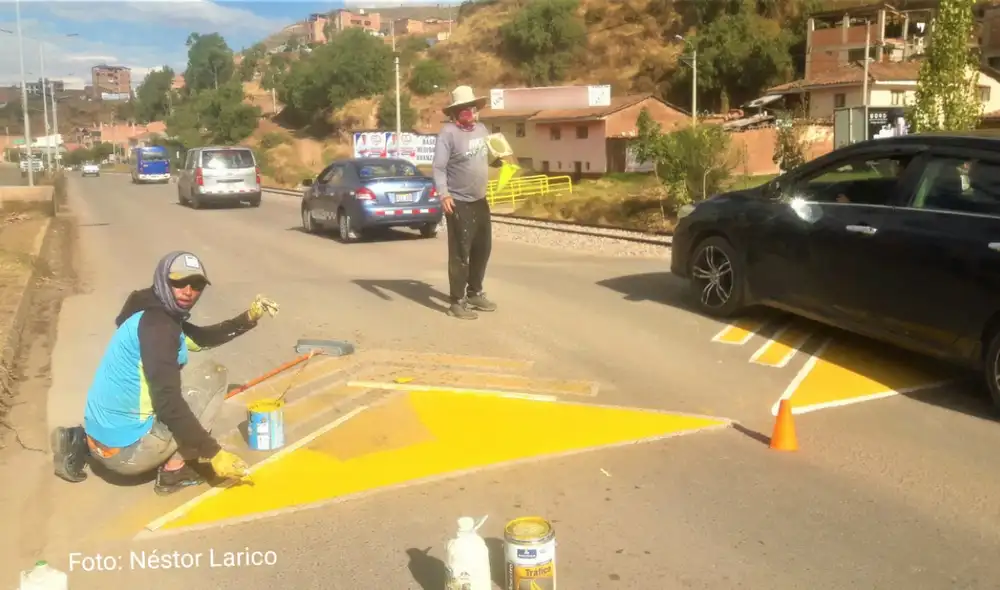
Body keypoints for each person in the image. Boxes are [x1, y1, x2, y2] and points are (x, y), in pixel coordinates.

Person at [51, 251, 280, 495]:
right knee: (212, 375)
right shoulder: (159, 329)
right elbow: (168, 403)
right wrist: (213, 453)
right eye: (179, 282)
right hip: (127, 456)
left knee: (174, 376)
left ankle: (79, 441)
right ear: (163, 280)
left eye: (197, 284)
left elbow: (200, 339)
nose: (188, 290)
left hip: (98, 436)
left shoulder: (148, 309)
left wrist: (248, 318)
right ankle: (174, 471)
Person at [432, 85, 505, 320]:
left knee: (482, 248)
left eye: (471, 109)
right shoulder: (448, 134)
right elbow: (439, 167)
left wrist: (500, 160)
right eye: (463, 109)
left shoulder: (482, 130)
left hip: (479, 199)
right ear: (454, 113)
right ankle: (457, 300)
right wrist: (444, 194)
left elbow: (491, 158)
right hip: (458, 201)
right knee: (460, 252)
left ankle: (474, 293)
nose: (468, 113)